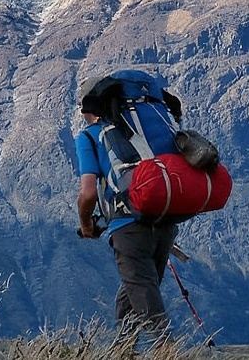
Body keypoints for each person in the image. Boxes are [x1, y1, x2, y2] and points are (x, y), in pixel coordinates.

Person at [75, 71, 180, 345]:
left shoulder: (90, 136)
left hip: (127, 226)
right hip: (165, 220)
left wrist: (86, 225)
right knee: (134, 292)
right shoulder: (143, 129)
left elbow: (87, 193)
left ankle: (168, 350)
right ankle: (122, 350)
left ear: (89, 106)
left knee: (144, 297)